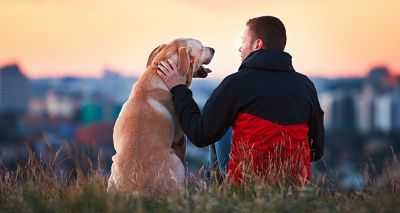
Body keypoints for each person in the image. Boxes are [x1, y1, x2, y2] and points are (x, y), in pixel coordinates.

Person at [156, 16, 324, 185]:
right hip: (295, 185)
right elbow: (316, 150)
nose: (239, 48)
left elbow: (200, 135)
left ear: (257, 45)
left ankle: (213, 196)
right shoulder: (305, 85)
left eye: (243, 41)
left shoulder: (236, 83)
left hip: (247, 183)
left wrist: (178, 88)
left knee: (219, 131)